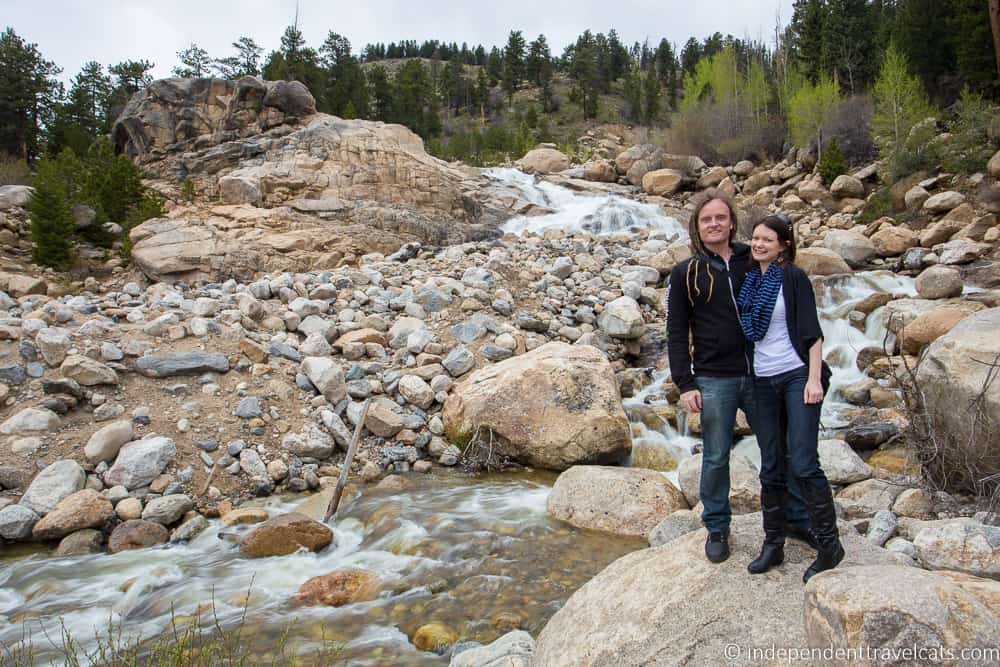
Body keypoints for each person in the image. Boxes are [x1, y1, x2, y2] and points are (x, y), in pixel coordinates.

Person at [666, 190, 813, 564]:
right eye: (706, 219)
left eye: (720, 217)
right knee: (715, 455)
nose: (714, 224)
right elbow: (676, 331)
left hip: (764, 371)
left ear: (732, 222)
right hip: (715, 376)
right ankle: (717, 526)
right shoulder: (687, 272)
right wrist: (685, 383)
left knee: (776, 449)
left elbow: (789, 295)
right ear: (697, 228)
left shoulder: (754, 257)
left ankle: (793, 518)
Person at [736, 212, 842, 582]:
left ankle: (830, 545)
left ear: (784, 245)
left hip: (798, 376)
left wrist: (814, 379)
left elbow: (812, 333)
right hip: (763, 381)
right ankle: (774, 544)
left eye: (768, 239)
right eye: (756, 238)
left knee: (803, 461)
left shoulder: (793, 278)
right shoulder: (749, 281)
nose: (760, 244)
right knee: (771, 464)